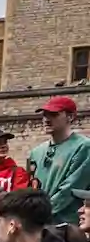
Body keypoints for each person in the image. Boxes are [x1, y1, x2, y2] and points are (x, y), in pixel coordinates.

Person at [28, 96, 90, 224]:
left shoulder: (84, 146)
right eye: (44, 115)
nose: (46, 119)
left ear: (70, 117)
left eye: (53, 114)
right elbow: (31, 187)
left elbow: (71, 187)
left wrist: (40, 214)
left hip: (67, 223)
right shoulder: (36, 152)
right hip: (38, 223)